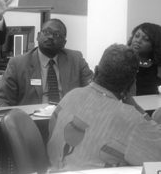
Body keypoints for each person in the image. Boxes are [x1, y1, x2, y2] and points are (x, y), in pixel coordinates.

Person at [47, 44, 161, 172]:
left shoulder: (71, 95)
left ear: (95, 71)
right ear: (131, 83)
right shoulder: (132, 120)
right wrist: (137, 109)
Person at [0, 18, 93, 106]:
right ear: (38, 36)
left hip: (66, 119)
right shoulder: (18, 63)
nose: (50, 37)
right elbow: (2, 100)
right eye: (46, 32)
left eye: (56, 34)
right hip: (31, 121)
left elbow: (93, 92)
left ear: (64, 43)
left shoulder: (76, 59)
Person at [127, 22, 161, 95]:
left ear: (155, 44)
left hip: (152, 103)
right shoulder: (122, 59)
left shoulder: (157, 65)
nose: (138, 41)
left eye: (146, 39)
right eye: (136, 36)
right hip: (127, 104)